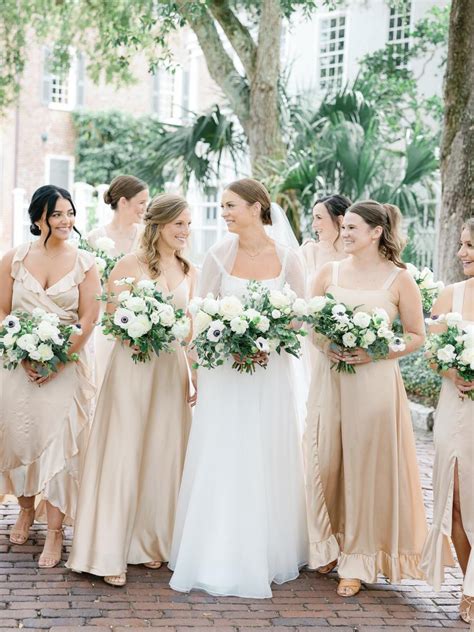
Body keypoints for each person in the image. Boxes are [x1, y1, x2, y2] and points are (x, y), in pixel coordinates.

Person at [169, 178, 309, 598]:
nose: (224, 212)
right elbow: (202, 314)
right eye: (222, 206)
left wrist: (269, 341)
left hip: (271, 373)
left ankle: (267, 549)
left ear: (256, 207)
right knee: (225, 452)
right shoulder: (216, 255)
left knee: (266, 450)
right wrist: (220, 350)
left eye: (230, 205)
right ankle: (217, 548)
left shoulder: (288, 257)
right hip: (227, 373)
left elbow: (301, 316)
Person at [67, 194, 196, 587]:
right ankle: (107, 552)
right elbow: (111, 317)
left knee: (162, 451)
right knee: (123, 450)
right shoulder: (128, 265)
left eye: (188, 225)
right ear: (157, 226)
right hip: (132, 367)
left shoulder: (189, 268)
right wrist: (135, 333)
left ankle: (150, 542)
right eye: (179, 224)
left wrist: (195, 373)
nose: (185, 232)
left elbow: (189, 323)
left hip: (169, 369)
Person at [305, 200, 427, 596]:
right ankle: (327, 544)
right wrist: (328, 344)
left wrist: (376, 350)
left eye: (354, 228)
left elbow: (416, 335)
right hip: (331, 381)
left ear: (377, 232)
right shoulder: (328, 272)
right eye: (345, 227)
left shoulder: (399, 279)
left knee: (364, 469)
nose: (345, 233)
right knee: (325, 461)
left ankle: (357, 560)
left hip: (374, 385)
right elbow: (311, 323)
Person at [0, 185, 100, 567]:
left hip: (66, 366)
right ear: (38, 217)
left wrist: (59, 360)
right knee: (21, 440)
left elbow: (89, 319)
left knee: (60, 447)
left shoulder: (85, 262)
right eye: (57, 214)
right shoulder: (14, 258)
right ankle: (26, 510)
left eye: (70, 213)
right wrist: (22, 353)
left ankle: (56, 533)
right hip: (17, 366)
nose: (66, 221)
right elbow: (2, 312)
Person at [420, 218, 474, 624]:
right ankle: (470, 587)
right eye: (461, 245)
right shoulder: (449, 297)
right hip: (456, 408)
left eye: (470, 246)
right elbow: (433, 353)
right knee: (455, 503)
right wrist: (449, 370)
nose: (461, 253)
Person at [86, 175, 149, 391]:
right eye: (141, 202)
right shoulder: (94, 238)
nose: (145, 208)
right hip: (108, 324)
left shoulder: (146, 237)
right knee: (106, 383)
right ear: (123, 202)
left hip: (143, 324)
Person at [300, 194, 352, 291]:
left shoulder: (358, 254)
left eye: (319, 217)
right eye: (313, 218)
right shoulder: (309, 252)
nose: (313, 225)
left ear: (340, 220)